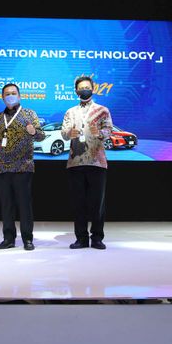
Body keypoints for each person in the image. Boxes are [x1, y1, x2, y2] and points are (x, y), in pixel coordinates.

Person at [0, 83, 45, 251]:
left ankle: (27, 239)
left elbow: (41, 136)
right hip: (2, 167)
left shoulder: (29, 114)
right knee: (6, 205)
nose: (10, 96)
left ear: (19, 95)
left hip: (23, 166)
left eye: (13, 93)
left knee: (24, 205)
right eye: (7, 94)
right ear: (2, 97)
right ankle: (8, 239)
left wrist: (33, 132)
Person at [60, 75, 113, 250]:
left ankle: (97, 238)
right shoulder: (70, 112)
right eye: (81, 88)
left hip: (97, 161)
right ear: (76, 91)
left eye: (87, 87)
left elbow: (109, 130)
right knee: (79, 203)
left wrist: (99, 133)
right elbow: (64, 133)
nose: (84, 90)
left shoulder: (102, 110)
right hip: (75, 162)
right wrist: (69, 133)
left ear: (93, 89)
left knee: (97, 203)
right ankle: (81, 238)